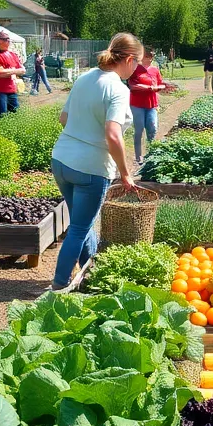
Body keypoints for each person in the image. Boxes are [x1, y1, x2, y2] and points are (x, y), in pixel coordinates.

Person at [49, 33, 141, 289]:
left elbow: (64, 118)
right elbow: (113, 135)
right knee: (79, 228)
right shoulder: (118, 89)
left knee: (82, 222)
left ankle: (90, 272)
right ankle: (59, 284)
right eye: (138, 64)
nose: (136, 71)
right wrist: (125, 173)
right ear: (129, 59)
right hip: (91, 167)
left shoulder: (85, 77)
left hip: (62, 160)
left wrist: (84, 130)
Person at [129, 47, 166, 163]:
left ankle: (151, 154)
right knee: (139, 130)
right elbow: (132, 85)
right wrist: (149, 87)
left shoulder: (155, 70)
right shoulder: (135, 69)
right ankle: (138, 156)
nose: (150, 58)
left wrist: (160, 87)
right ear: (142, 57)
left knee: (152, 128)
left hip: (151, 104)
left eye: (152, 56)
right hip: (137, 104)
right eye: (148, 56)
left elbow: (161, 84)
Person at [0, 30, 24, 116]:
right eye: (5, 39)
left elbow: (22, 70)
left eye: (8, 39)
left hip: (12, 90)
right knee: (1, 116)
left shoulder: (12, 54)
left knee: (15, 115)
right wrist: (14, 70)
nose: (7, 41)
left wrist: (9, 71)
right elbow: (0, 73)